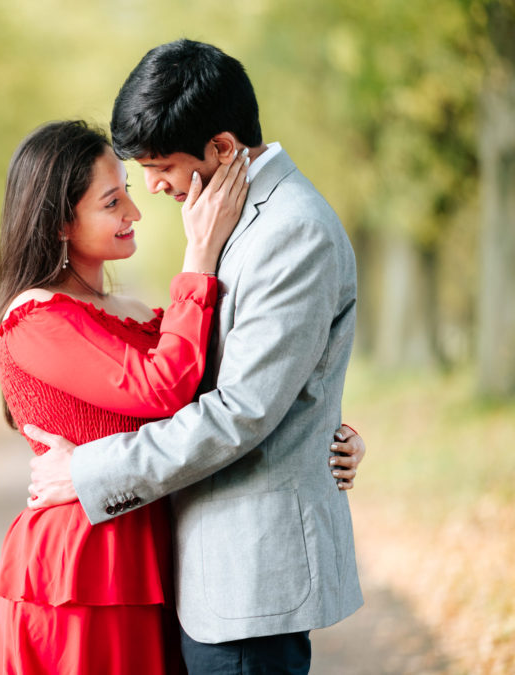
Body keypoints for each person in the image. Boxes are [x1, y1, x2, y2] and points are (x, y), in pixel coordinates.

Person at [25, 40, 364, 674]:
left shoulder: (290, 230)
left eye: (162, 167)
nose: (152, 188)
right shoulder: (233, 217)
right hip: (204, 571)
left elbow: (241, 411)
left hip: (248, 579)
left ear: (223, 148)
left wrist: (87, 473)